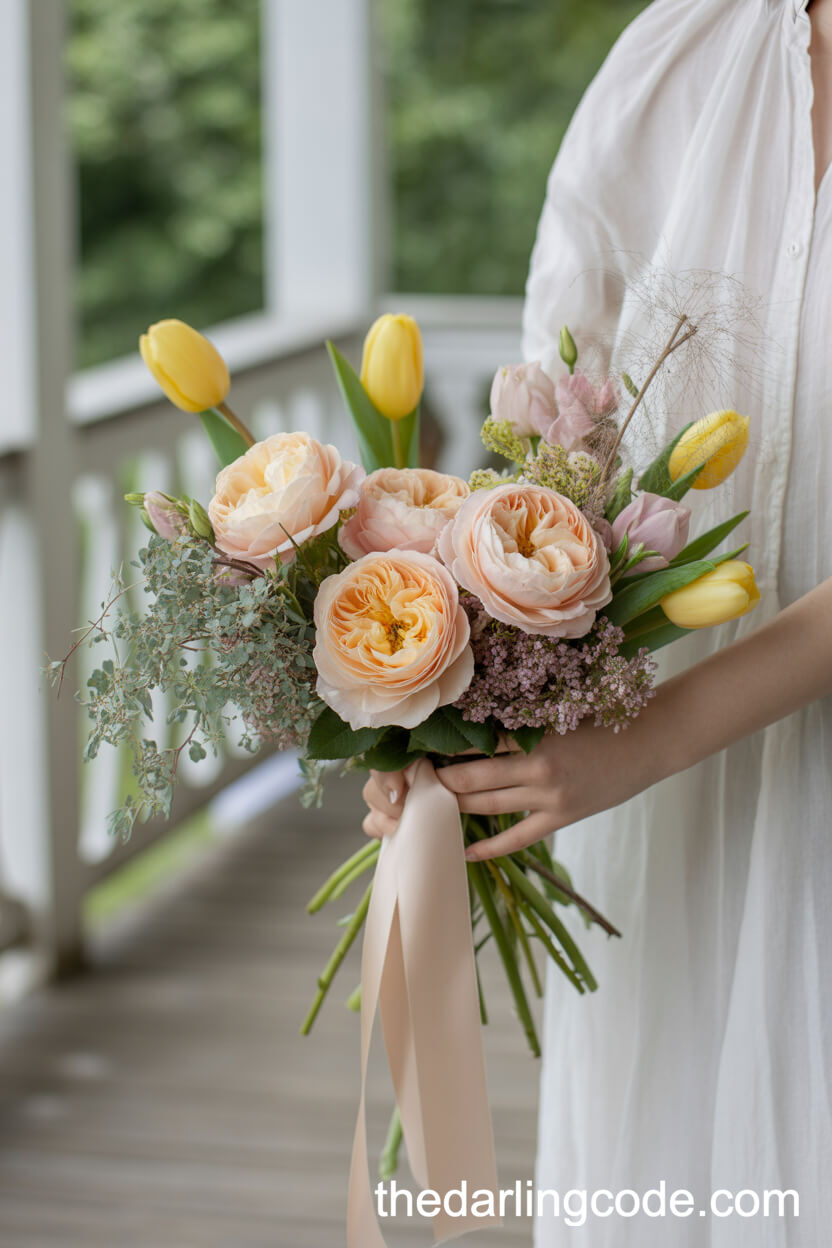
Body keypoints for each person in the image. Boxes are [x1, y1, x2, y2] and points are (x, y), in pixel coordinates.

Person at [362, 0, 832, 1242]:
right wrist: (447, 704)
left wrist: (638, 744)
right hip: (646, 818)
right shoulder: (669, 60)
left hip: (658, 758)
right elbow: (551, 435)